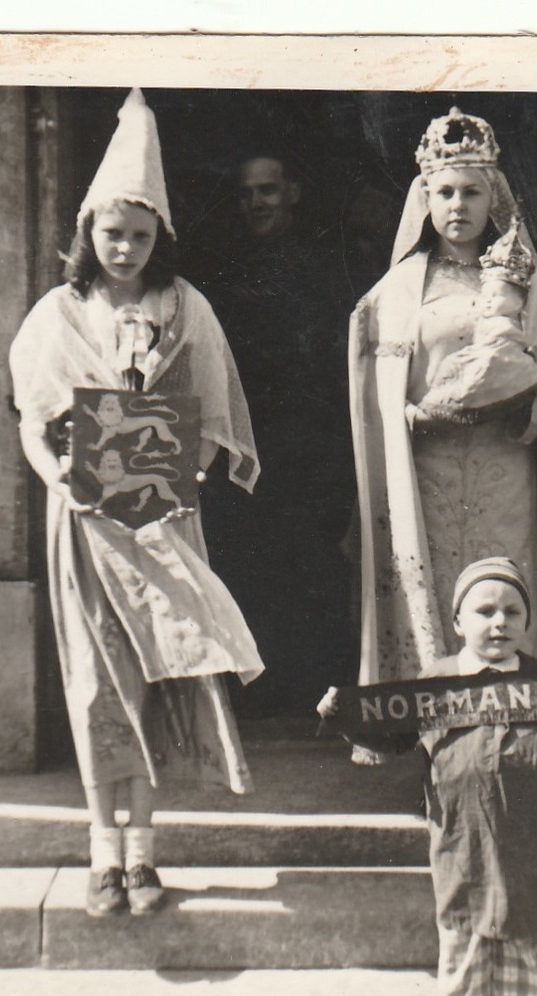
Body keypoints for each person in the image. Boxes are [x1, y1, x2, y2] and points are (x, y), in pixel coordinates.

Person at [9, 88, 263, 918]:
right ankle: (99, 850)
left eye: (140, 236)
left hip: (160, 511)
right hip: (84, 518)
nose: (124, 248)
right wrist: (59, 484)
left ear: (160, 240)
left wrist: (180, 473)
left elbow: (208, 407)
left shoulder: (182, 307)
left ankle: (145, 853)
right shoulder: (59, 313)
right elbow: (34, 424)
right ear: (88, 235)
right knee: (96, 679)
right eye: (112, 234)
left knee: (160, 672)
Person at [347, 106, 537, 706]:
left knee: (508, 588)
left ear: (492, 196)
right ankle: (435, 727)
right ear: (425, 199)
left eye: (472, 191)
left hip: (508, 466)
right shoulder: (395, 294)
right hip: (429, 468)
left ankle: (525, 723)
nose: (458, 206)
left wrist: (522, 401)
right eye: (444, 192)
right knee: (436, 588)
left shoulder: (530, 284)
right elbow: (380, 391)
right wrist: (413, 417)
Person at [318, 557, 537, 996]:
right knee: (463, 969)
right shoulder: (433, 687)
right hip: (463, 847)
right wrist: (342, 716)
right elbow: (390, 736)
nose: (499, 622)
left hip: (528, 853)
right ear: (457, 621)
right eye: (484, 611)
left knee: (519, 972)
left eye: (512, 612)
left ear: (527, 622)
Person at [191, 151, 357, 716]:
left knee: (312, 565)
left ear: (292, 191)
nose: (257, 203)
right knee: (249, 565)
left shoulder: (324, 265)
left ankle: (321, 698)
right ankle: (262, 700)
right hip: (248, 442)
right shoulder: (228, 269)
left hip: (311, 443)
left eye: (267, 190)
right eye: (246, 194)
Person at [410, 217, 537, 430]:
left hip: (501, 359)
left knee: (473, 375)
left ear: (519, 302)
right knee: (451, 367)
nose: (488, 300)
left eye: (498, 295)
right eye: (486, 294)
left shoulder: (508, 326)